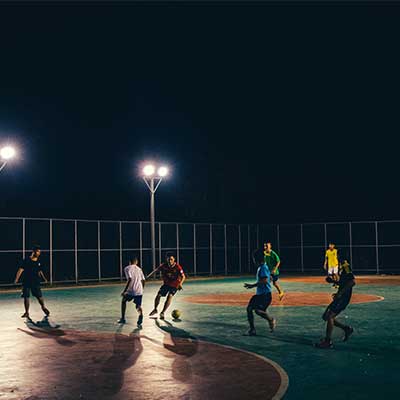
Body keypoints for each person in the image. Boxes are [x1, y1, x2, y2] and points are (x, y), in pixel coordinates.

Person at [315, 260, 355, 349]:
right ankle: (346, 329)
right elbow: (344, 282)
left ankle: (328, 342)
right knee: (326, 316)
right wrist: (333, 281)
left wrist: (340, 293)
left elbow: (352, 282)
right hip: (340, 297)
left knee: (330, 316)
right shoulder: (342, 265)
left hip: (343, 298)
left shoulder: (346, 265)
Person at [244, 249, 276, 336]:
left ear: (256, 259)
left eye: (254, 259)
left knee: (257, 311)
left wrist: (252, 285)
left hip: (265, 296)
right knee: (250, 309)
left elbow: (264, 281)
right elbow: (268, 278)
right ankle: (252, 330)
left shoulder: (263, 268)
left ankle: (270, 319)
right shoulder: (262, 267)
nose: (253, 261)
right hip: (260, 295)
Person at [14, 245, 50, 320]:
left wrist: (44, 278)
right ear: (34, 251)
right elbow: (20, 269)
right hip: (26, 281)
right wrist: (16, 279)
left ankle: (43, 307)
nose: (39, 253)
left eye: (39, 252)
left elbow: (40, 271)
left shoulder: (39, 261)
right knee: (26, 297)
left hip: (35, 282)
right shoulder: (26, 260)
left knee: (39, 297)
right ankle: (26, 312)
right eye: (38, 251)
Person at [149, 252, 185, 320]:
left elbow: (183, 276)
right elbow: (155, 271)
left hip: (175, 285)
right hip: (166, 284)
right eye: (168, 259)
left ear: (174, 259)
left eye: (171, 259)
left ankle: (162, 312)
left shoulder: (178, 267)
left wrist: (180, 284)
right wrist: (147, 277)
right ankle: (155, 309)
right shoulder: (164, 265)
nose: (170, 261)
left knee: (170, 296)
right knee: (158, 295)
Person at [118, 256, 145, 327]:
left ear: (129, 262)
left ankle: (123, 318)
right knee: (138, 306)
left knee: (123, 300)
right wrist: (142, 289)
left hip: (131, 290)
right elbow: (143, 280)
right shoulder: (139, 269)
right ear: (136, 262)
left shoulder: (127, 268)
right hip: (139, 290)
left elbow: (129, 279)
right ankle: (141, 314)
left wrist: (124, 291)